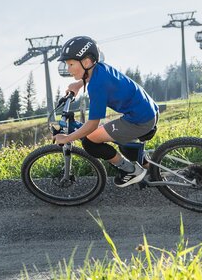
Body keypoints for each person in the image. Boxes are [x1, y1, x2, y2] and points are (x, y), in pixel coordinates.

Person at [51, 36, 159, 187]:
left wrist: (68, 138)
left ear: (87, 62)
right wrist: (77, 85)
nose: (68, 69)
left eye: (70, 64)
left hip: (139, 119)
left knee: (90, 141)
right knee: (119, 141)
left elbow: (92, 125)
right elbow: (92, 77)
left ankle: (131, 171)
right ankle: (153, 171)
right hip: (146, 111)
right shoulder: (100, 68)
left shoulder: (96, 86)